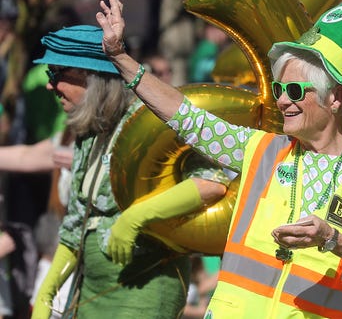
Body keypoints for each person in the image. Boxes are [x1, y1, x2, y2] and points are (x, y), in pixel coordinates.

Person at [97, 0, 342, 318]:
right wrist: (121, 57)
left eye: (294, 90)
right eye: (279, 89)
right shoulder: (262, 150)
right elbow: (188, 118)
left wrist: (333, 239)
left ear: (335, 97)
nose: (281, 101)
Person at [30, 25, 230, 319]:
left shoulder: (149, 123)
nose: (50, 86)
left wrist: (138, 216)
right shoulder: (88, 133)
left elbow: (212, 183)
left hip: (144, 292)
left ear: (91, 78)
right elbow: (75, 225)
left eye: (56, 74)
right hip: (89, 293)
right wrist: (48, 290)